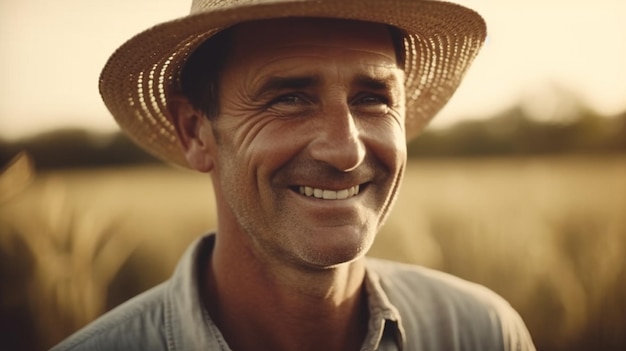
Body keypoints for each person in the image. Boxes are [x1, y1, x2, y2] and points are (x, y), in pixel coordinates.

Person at [52, 0, 535, 350]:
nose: (345, 150)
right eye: (289, 98)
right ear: (195, 131)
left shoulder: (480, 333)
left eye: (374, 98)